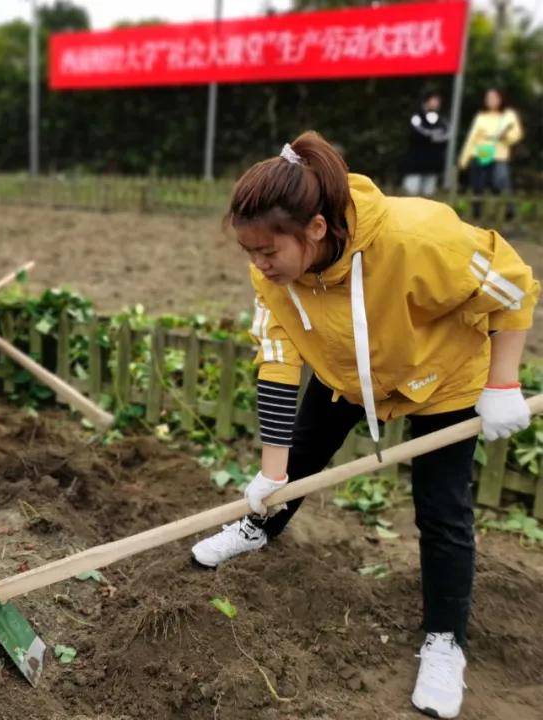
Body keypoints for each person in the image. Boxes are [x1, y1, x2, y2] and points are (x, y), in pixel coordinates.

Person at [191, 132, 537, 719]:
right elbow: (277, 359)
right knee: (296, 459)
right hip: (347, 372)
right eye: (248, 252)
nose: (258, 264)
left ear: (317, 230)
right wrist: (272, 473)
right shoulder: (273, 274)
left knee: (442, 510)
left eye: (268, 251)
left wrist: (502, 383)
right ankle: (259, 528)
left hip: (441, 376)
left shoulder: (418, 237)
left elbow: (511, 283)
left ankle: (445, 641)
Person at [458, 88, 523, 220]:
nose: (491, 100)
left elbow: (517, 134)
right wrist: (464, 159)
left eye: (494, 97)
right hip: (482, 150)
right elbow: (472, 138)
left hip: (499, 152)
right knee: (478, 183)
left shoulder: (508, 115)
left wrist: (506, 136)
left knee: (501, 181)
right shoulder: (481, 116)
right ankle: (477, 212)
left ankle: (508, 211)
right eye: (488, 98)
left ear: (500, 99)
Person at [402, 89, 448, 197]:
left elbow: (445, 137)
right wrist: (433, 136)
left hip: (432, 165)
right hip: (415, 164)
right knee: (411, 195)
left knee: (428, 197)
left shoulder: (442, 121)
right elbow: (417, 134)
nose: (436, 103)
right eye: (433, 100)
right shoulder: (417, 118)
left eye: (437, 101)